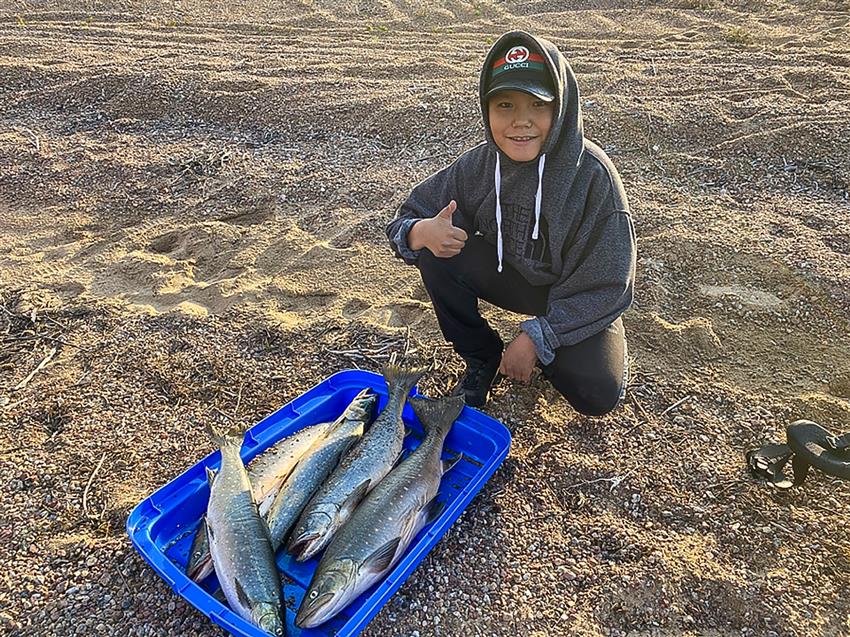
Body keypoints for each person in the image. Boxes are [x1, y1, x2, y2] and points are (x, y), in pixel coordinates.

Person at [385, 30, 636, 416]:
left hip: (574, 293)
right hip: (514, 276)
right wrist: (420, 233)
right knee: (436, 251)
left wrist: (538, 337)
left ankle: (551, 351)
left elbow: (611, 286)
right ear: (486, 111)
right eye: (505, 105)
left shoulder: (593, 178)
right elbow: (405, 217)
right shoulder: (478, 166)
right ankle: (482, 355)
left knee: (596, 392)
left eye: (537, 104)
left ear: (562, 107)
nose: (521, 122)